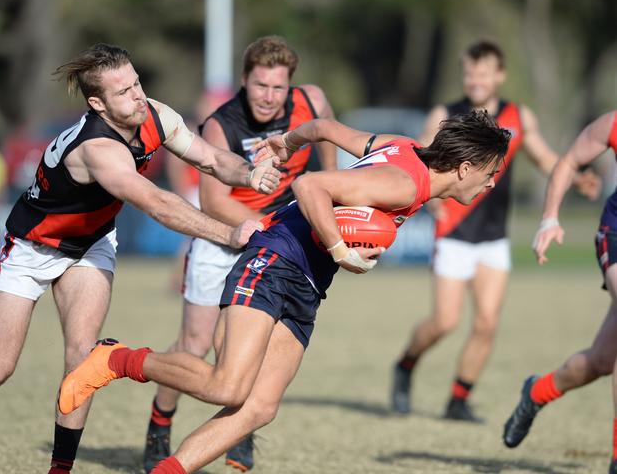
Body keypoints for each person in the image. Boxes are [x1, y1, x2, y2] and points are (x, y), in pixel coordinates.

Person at [58, 110, 511, 474]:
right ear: (466, 167)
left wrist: (289, 142)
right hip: (277, 260)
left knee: (258, 407)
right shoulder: (403, 183)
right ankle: (114, 359)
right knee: (226, 386)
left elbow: (325, 128)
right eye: (490, 174)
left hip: (307, 283)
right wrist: (340, 249)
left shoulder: (405, 148)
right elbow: (309, 184)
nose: (492, 184)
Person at [0, 43, 281, 474]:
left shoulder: (152, 112)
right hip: (31, 247)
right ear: (98, 103)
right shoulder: (98, 149)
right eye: (124, 91)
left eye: (136, 82)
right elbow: (157, 204)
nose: (137, 95)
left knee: (82, 356)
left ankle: (60, 470)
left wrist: (249, 173)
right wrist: (229, 233)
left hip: (90, 244)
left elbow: (208, 158)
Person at [143, 35, 336, 473]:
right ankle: (160, 421)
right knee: (196, 345)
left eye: (278, 88)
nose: (269, 97)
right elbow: (211, 200)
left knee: (251, 349)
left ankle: (240, 431)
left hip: (279, 241)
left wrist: (330, 183)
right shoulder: (221, 124)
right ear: (245, 80)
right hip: (224, 236)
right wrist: (261, 230)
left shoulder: (311, 100)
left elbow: (326, 136)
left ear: (291, 86)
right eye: (260, 86)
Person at [390, 40, 601, 422]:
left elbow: (544, 157)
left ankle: (458, 399)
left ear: (499, 75)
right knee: (445, 321)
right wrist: (430, 199)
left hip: (493, 237)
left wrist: (576, 177)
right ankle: (406, 363)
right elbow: (420, 156)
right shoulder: (447, 114)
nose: (475, 79)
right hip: (452, 232)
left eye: (483, 72)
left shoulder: (519, 117)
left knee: (487, 322)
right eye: (469, 72)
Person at [504, 110, 617, 474]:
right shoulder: (613, 123)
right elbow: (568, 161)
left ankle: (536, 392)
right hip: (616, 236)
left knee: (601, 362)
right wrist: (550, 217)